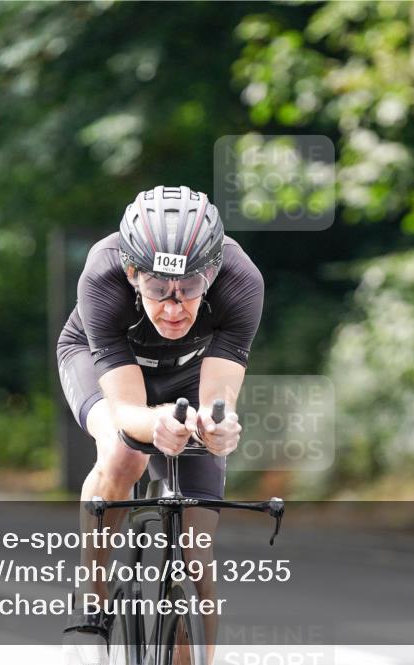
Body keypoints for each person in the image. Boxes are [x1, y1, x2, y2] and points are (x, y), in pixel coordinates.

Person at [57, 185, 264, 659]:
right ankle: (92, 597)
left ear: (211, 273)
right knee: (122, 451)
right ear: (132, 273)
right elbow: (127, 411)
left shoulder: (241, 280)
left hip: (190, 373)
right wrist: (155, 427)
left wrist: (220, 427)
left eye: (189, 289)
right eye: (156, 289)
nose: (173, 308)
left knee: (197, 549)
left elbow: (219, 398)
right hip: (105, 364)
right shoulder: (103, 273)